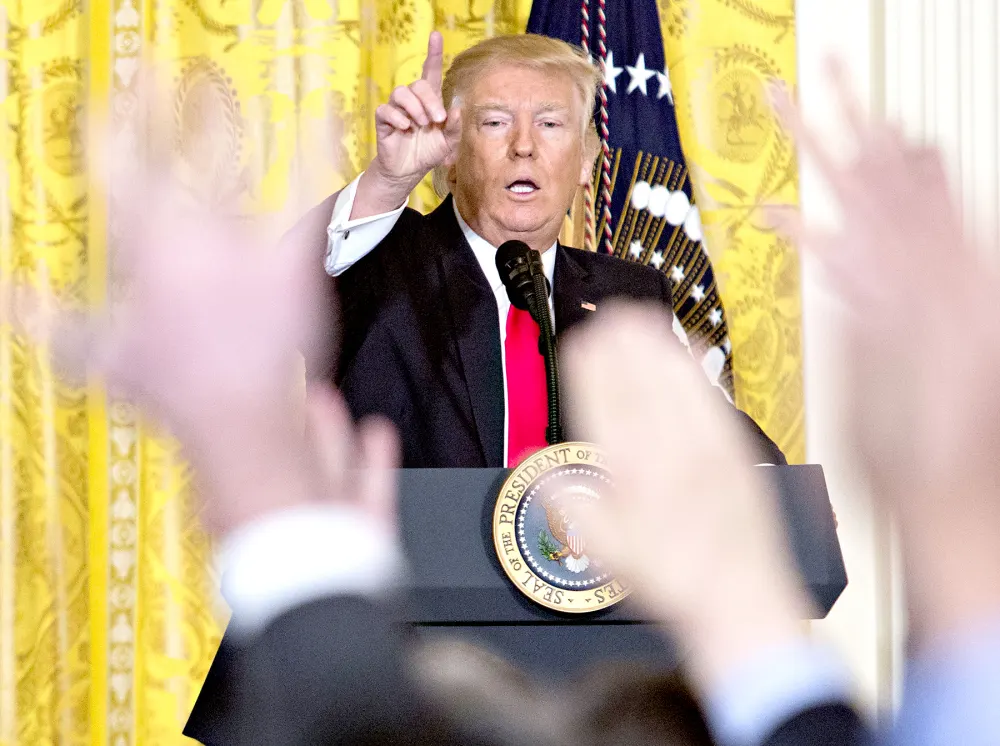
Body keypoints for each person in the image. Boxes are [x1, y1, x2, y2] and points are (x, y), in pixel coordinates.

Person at [298, 31, 786, 469]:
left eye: (550, 125)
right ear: (449, 151)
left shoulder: (627, 296)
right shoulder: (382, 259)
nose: (524, 146)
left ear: (585, 161)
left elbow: (721, 442)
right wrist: (389, 179)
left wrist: (765, 487)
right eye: (494, 123)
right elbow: (285, 289)